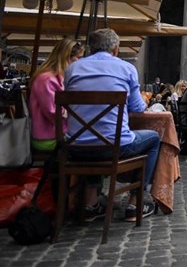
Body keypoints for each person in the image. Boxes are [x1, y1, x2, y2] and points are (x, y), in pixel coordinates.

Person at [65, 28, 160, 221]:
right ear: (115, 49)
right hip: (114, 147)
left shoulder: (72, 68)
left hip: (76, 147)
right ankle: (135, 202)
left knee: (93, 134)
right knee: (154, 139)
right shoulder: (126, 68)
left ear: (91, 48)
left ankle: (90, 203)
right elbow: (137, 107)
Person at [28, 38, 83, 151]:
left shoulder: (55, 77)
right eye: (78, 58)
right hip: (49, 139)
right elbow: (53, 112)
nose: (80, 62)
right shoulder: (46, 79)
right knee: (94, 142)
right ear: (65, 57)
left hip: (56, 134)